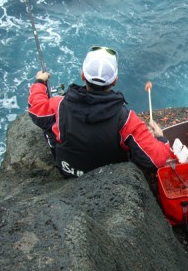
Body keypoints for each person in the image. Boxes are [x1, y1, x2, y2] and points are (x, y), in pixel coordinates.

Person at [28, 46, 175, 178]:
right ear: (115, 80)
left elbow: (36, 109)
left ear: (83, 75)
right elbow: (157, 159)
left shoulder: (59, 105)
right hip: (108, 176)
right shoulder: (126, 119)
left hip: (69, 172)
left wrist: (40, 83)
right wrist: (161, 139)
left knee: (49, 126)